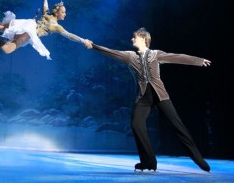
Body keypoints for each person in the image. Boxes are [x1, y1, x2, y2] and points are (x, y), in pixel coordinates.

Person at [87, 27, 211, 172]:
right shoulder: (130, 56)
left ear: (144, 38)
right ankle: (149, 162)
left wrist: (198, 61)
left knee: (178, 126)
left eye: (135, 37)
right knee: (136, 125)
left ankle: (198, 159)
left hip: (160, 96)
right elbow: (111, 52)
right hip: (143, 98)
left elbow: (177, 57)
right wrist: (93, 46)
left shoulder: (155, 54)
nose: (132, 39)